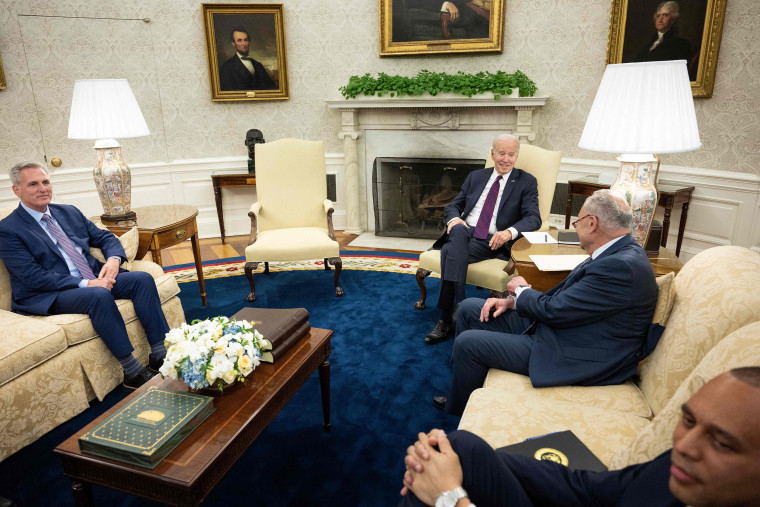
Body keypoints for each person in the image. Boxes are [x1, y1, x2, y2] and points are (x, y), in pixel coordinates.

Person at [434, 189, 658, 415]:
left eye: (577, 221)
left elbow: (555, 311)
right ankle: (463, 388)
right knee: (469, 308)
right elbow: (570, 302)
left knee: (468, 343)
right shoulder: (617, 253)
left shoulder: (620, 266)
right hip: (568, 328)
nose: (574, 226)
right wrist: (514, 301)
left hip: (575, 351)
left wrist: (521, 290)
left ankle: (461, 410)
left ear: (592, 223)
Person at [399, 367, 760, 507]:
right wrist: (451, 465)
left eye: (722, 443)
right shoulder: (677, 467)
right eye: (689, 421)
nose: (684, 446)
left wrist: (451, 497)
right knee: (459, 447)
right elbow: (589, 487)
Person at [0, 161, 170, 389]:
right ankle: (131, 370)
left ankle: (160, 354)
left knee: (142, 279)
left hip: (92, 276)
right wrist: (87, 283)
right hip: (49, 292)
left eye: (46, 182)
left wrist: (113, 260)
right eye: (33, 184)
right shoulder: (8, 229)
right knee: (99, 295)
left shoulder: (68, 212)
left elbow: (105, 238)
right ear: (17, 190)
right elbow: (32, 276)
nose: (43, 188)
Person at [424, 134, 541, 345]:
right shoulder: (476, 177)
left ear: (517, 156)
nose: (506, 159)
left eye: (511, 154)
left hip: (492, 239)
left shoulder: (526, 181)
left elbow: (534, 218)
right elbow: (453, 206)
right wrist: (453, 220)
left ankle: (444, 319)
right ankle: (459, 306)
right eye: (501, 153)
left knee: (450, 250)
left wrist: (509, 232)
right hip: (466, 232)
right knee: (458, 232)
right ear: (492, 154)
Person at [219, 27, 275, 91]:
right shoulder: (226, 67)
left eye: (246, 40)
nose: (244, 44)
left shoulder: (258, 65)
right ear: (233, 43)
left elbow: (271, 88)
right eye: (239, 40)